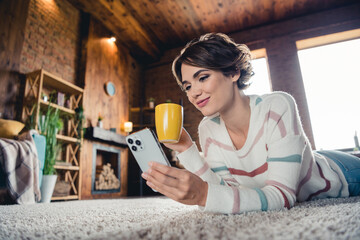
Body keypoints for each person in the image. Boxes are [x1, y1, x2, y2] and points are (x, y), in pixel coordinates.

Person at [141, 33, 360, 214]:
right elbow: (223, 191)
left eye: (203, 77)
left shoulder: (277, 106)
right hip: (307, 159)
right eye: (187, 86)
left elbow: (282, 196)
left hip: (338, 172)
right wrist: (187, 150)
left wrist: (204, 194)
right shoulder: (208, 129)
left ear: (233, 72)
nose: (194, 93)